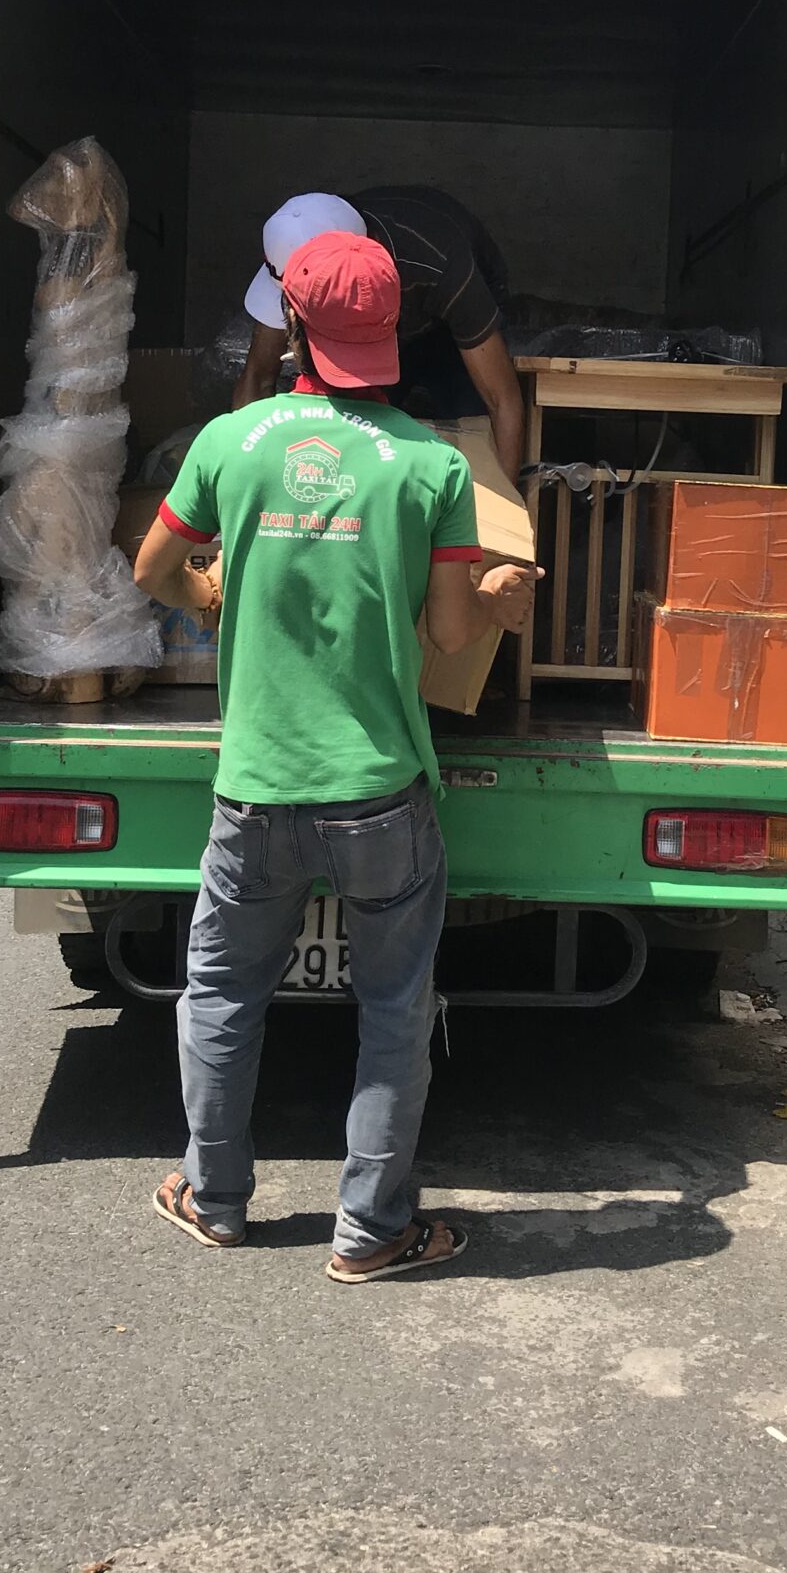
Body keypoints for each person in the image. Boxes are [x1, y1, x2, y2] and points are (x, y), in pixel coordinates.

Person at [133, 229, 539, 1283]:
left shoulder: (235, 442)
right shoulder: (432, 465)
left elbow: (153, 568)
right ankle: (371, 1232)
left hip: (255, 790)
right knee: (394, 1012)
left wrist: (206, 593)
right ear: (396, 327)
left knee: (221, 995)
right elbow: (448, 634)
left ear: (294, 322)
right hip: (380, 796)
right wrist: (496, 596)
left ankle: (216, 1199)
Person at [235, 187, 527, 491]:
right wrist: (247, 485)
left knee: (472, 431)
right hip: (397, 302)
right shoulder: (288, 255)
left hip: (446, 313)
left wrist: (505, 506)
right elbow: (257, 377)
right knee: (354, 427)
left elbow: (502, 400)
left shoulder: (440, 262)